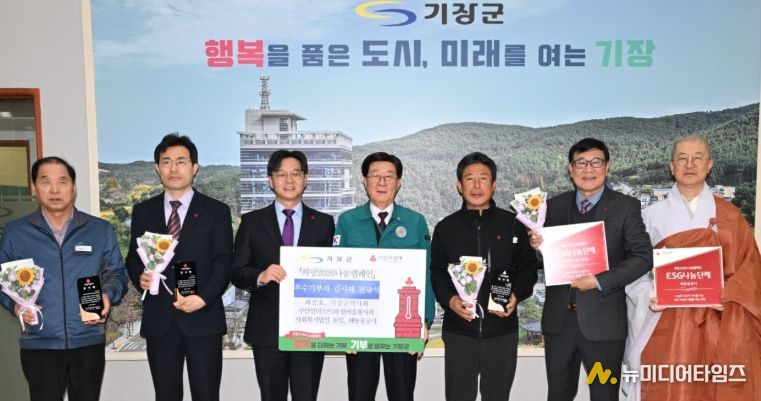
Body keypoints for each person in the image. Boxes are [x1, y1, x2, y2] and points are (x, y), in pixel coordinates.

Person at [625, 135, 760, 401]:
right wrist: (649, 296)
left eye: (697, 158)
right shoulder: (650, 216)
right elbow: (632, 270)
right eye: (682, 158)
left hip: (717, 324)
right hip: (663, 322)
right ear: (671, 167)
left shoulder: (731, 216)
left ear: (709, 165)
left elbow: (750, 272)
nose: (690, 164)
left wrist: (730, 295)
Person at [529, 137, 652, 401]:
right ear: (570, 169)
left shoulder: (625, 207)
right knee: (558, 394)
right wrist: (537, 249)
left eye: (596, 162)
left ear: (607, 166)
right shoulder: (552, 207)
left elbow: (643, 257)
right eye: (581, 162)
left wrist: (599, 281)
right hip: (559, 323)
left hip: (604, 327)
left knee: (604, 394)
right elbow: (540, 261)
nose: (588, 169)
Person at [0, 156, 128, 401]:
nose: (55, 189)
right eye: (46, 182)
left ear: (74, 187)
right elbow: (2, 282)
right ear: (34, 187)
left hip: (87, 340)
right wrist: (15, 305)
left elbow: (116, 274)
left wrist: (107, 295)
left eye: (62, 181)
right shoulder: (16, 233)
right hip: (39, 342)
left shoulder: (100, 230)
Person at [126, 133, 233, 401]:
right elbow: (133, 257)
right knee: (165, 395)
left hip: (203, 318)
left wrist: (203, 298)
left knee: (206, 395)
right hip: (160, 320)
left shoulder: (216, 211)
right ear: (157, 168)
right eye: (167, 162)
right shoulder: (143, 211)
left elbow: (224, 261)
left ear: (194, 167)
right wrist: (140, 277)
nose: (174, 168)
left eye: (181, 161)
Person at [430, 152, 538, 401]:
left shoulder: (513, 224)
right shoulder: (446, 228)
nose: (477, 185)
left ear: (494, 185)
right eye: (470, 178)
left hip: (502, 332)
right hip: (459, 332)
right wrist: (450, 300)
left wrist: (516, 295)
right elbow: (437, 273)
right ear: (459, 185)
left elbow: (527, 268)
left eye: (483, 178)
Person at [231, 150, 334, 401]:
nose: (289, 180)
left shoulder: (324, 223)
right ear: (270, 180)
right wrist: (261, 275)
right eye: (281, 174)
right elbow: (236, 271)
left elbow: (332, 275)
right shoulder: (252, 222)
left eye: (295, 174)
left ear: (305, 179)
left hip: (310, 329)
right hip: (267, 329)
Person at [334, 152, 435, 401]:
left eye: (389, 176)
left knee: (402, 394)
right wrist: (339, 327)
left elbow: (426, 274)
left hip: (404, 325)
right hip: (359, 325)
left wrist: (425, 321)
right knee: (360, 393)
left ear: (398, 183)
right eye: (375, 175)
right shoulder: (347, 221)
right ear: (364, 181)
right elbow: (337, 276)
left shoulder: (415, 222)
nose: (382, 182)